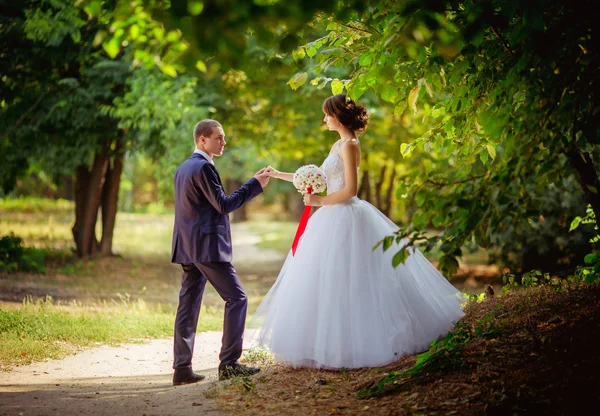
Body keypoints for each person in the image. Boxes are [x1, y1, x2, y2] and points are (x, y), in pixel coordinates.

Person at [252, 94, 466, 369]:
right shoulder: (337, 144)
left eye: (327, 114)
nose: (324, 119)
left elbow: (350, 190)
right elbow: (321, 178)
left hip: (347, 217)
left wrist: (320, 202)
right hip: (330, 216)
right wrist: (279, 174)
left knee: (353, 279)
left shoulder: (350, 145)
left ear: (338, 116)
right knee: (327, 280)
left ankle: (357, 344)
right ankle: (325, 344)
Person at [171, 119, 270, 385]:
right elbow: (223, 205)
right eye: (219, 137)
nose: (224, 142)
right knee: (237, 298)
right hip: (206, 247)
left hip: (188, 246)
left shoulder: (183, 168)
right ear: (202, 140)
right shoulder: (203, 167)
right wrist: (254, 184)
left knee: (188, 305)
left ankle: (181, 369)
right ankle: (229, 364)